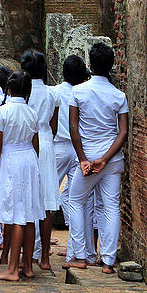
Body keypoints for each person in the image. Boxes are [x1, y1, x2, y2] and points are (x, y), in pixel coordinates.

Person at [66, 42, 129, 274]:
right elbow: (123, 132)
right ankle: (108, 262)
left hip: (88, 157)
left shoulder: (78, 91)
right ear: (111, 65)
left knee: (76, 201)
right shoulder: (118, 95)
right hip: (111, 159)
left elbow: (73, 127)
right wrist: (105, 158)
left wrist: (83, 158)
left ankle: (81, 256)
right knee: (111, 206)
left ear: (90, 65)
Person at [0, 70, 42, 282]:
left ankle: (12, 269)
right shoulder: (32, 112)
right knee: (28, 215)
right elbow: (35, 143)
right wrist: (33, 165)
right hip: (28, 158)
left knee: (17, 215)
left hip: (11, 159)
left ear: (8, 88)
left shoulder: (2, 111)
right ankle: (28, 266)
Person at [53, 55, 95, 263]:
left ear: (63, 73)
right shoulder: (85, 94)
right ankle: (79, 250)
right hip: (80, 149)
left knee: (49, 195)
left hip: (59, 146)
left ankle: (37, 250)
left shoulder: (55, 92)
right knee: (79, 199)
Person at [20, 49, 59, 271]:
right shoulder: (52, 94)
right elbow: (52, 127)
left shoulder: (22, 90)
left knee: (27, 200)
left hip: (26, 144)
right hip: (45, 143)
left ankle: (27, 255)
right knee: (46, 202)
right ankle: (44, 256)